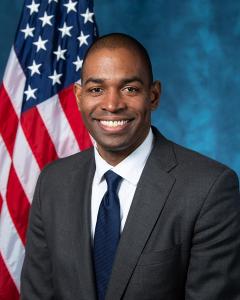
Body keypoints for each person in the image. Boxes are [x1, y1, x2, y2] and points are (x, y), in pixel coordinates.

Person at [21, 33, 240, 300]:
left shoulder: (208, 189)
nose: (112, 105)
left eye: (130, 89)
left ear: (154, 95)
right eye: (96, 89)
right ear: (79, 97)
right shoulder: (53, 182)